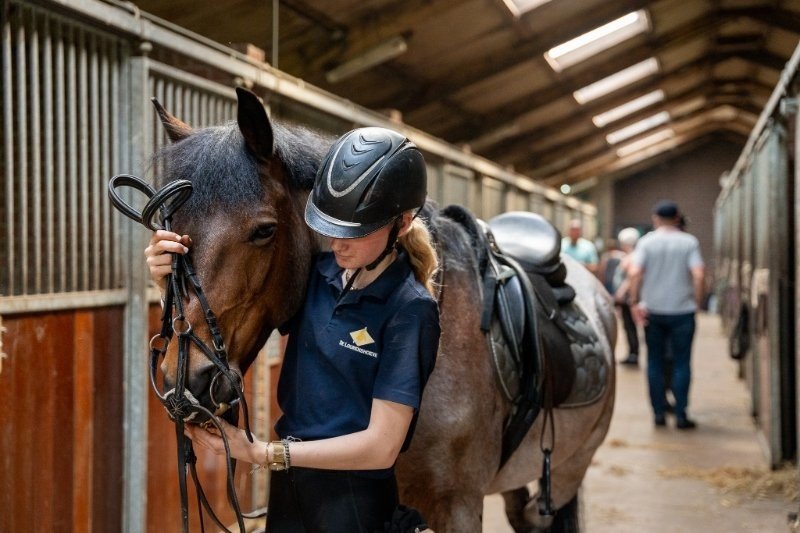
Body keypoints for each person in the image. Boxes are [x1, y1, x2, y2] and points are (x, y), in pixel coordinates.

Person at [144, 127, 441, 532]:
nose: (337, 242)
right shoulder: (319, 277)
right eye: (332, 225)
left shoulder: (410, 309)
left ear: (402, 223)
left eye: (355, 231)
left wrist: (263, 453)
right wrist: (166, 286)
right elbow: (225, 321)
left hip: (353, 508)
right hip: (289, 499)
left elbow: (381, 447)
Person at [627, 200, 705, 430]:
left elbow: (634, 273)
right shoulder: (689, 242)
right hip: (682, 311)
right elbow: (699, 275)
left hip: (653, 311)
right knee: (682, 362)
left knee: (654, 362)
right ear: (678, 217)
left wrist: (634, 302)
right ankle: (681, 415)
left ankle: (659, 413)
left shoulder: (647, 242)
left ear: (655, 218)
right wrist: (697, 302)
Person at [610, 227, 641, 366]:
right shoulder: (631, 255)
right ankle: (632, 352)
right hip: (627, 299)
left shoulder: (632, 257)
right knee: (629, 327)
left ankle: (633, 354)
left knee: (630, 327)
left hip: (627, 299)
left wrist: (620, 293)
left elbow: (630, 278)